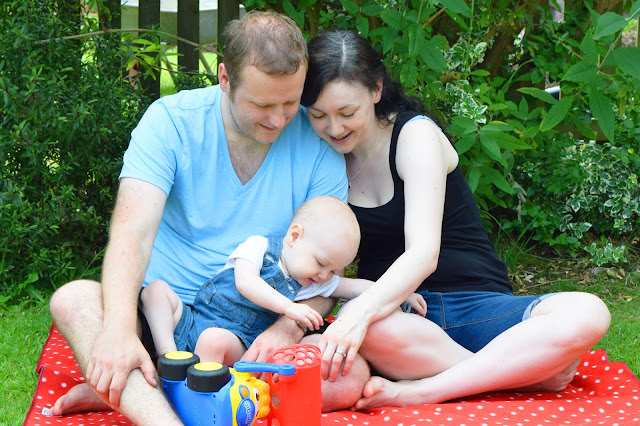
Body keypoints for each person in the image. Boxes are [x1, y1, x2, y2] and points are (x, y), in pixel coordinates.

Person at [47, 12, 351, 424]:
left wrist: (285, 329)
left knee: (350, 376)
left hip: (256, 333)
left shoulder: (318, 144)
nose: (279, 119)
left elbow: (328, 270)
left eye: (290, 102)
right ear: (225, 78)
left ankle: (137, 390)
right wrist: (119, 328)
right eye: (262, 104)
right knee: (74, 302)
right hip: (163, 326)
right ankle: (162, 403)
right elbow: (132, 233)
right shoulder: (170, 121)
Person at [300, 29, 611, 408]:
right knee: (367, 329)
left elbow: (423, 254)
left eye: (347, 113)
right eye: (318, 115)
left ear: (377, 89)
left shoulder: (415, 135)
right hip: (400, 320)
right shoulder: (322, 164)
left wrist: (358, 315)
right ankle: (521, 374)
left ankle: (424, 391)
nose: (334, 128)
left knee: (588, 313)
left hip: (474, 305)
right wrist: (356, 314)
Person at [141, 195, 428, 365]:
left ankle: (198, 389)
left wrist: (400, 292)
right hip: (193, 320)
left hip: (235, 341)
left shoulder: (316, 282)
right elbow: (245, 283)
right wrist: (289, 308)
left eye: (333, 270)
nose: (324, 275)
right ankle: (169, 357)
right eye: (321, 263)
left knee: (212, 340)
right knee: (155, 291)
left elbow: (356, 287)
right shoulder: (258, 247)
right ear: (294, 236)